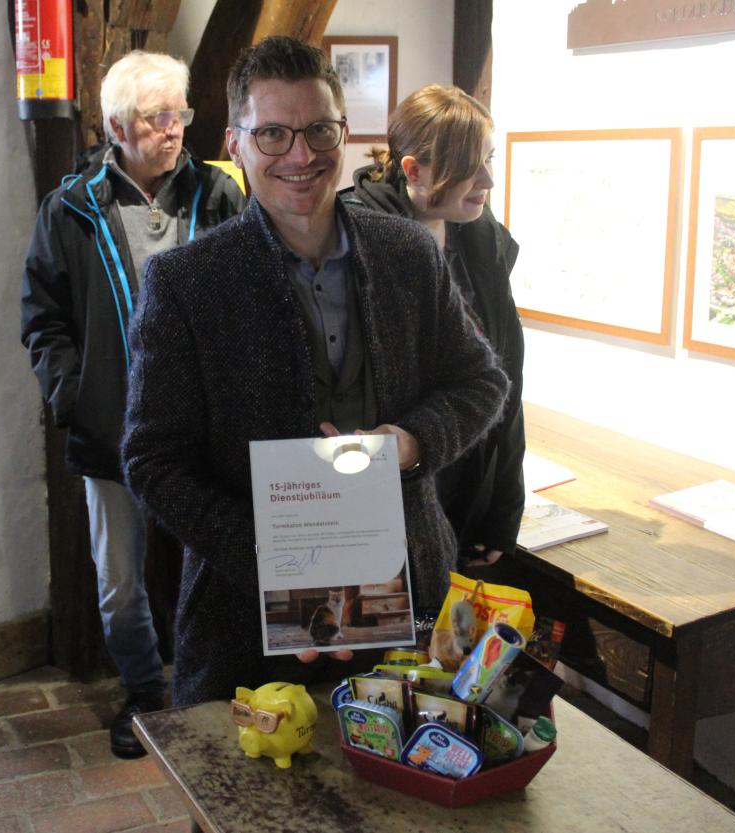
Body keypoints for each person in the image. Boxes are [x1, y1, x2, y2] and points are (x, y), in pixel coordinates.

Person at [121, 36, 511, 707]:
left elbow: (483, 383)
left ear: (345, 134)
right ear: (235, 143)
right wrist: (280, 568)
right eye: (272, 133)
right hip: (244, 618)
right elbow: (152, 460)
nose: (300, 155)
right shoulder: (185, 283)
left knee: (403, 792)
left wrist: (413, 443)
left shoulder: (409, 253)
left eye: (319, 130)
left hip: (407, 604)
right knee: (254, 802)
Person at [20, 50, 245, 758]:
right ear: (118, 126)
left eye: (179, 112)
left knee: (215, 562)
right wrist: (74, 395)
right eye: (157, 117)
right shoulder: (72, 207)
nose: (174, 128)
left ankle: (202, 691)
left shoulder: (218, 196)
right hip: (111, 428)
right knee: (119, 583)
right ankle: (145, 692)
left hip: (207, 433)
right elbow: (41, 318)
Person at [344, 84, 526, 572]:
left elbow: (507, 382)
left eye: (489, 158)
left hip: (468, 492)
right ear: (412, 170)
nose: (487, 179)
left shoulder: (482, 241)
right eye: (470, 165)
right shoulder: (355, 244)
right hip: (394, 501)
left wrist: (503, 510)